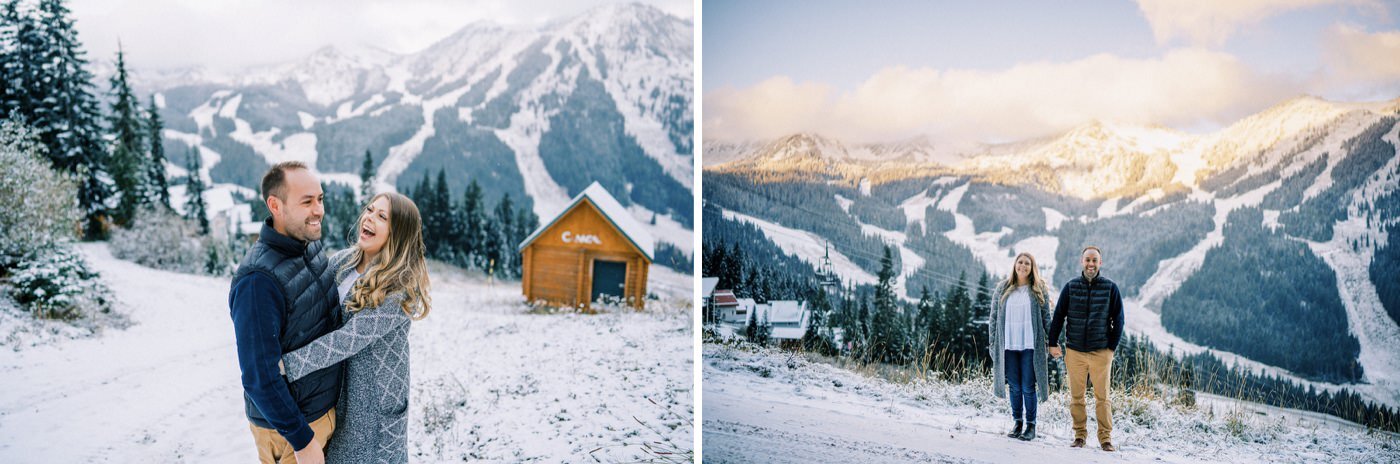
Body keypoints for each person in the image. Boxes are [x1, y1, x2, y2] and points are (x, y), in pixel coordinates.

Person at [280, 191, 431, 463]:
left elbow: (347, 340)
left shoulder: (399, 290)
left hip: (371, 408)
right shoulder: (343, 262)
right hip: (336, 393)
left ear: (398, 234)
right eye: (370, 210)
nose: (369, 218)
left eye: (382, 216)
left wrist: (286, 365)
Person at [230, 161, 341, 464]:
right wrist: (302, 440)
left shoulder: (309, 247)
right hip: (292, 432)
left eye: (320, 199)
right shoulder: (257, 281)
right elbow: (258, 377)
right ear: (275, 206)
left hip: (322, 415)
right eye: (307, 201)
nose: (318, 210)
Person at [1048, 246, 1125, 452]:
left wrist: (1111, 348)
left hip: (1101, 352)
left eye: (1094, 260)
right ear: (1082, 262)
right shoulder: (1070, 287)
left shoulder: (1110, 288)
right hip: (1075, 351)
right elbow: (1058, 316)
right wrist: (1052, 342)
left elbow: (1119, 320)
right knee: (1076, 397)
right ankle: (1080, 435)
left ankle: (1105, 438)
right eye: (1087, 260)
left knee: (1103, 397)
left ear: (1100, 263)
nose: (1091, 264)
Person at [988, 252, 1052, 441]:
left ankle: (1030, 425)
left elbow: (1046, 318)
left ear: (1032, 268)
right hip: (1008, 344)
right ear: (1015, 265)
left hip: (1030, 345)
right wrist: (993, 343)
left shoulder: (1038, 289)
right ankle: (1018, 422)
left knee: (1027, 386)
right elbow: (993, 318)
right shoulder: (1003, 288)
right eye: (1020, 262)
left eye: (1027, 263)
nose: (1023, 266)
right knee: (1014, 386)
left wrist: (1051, 342)